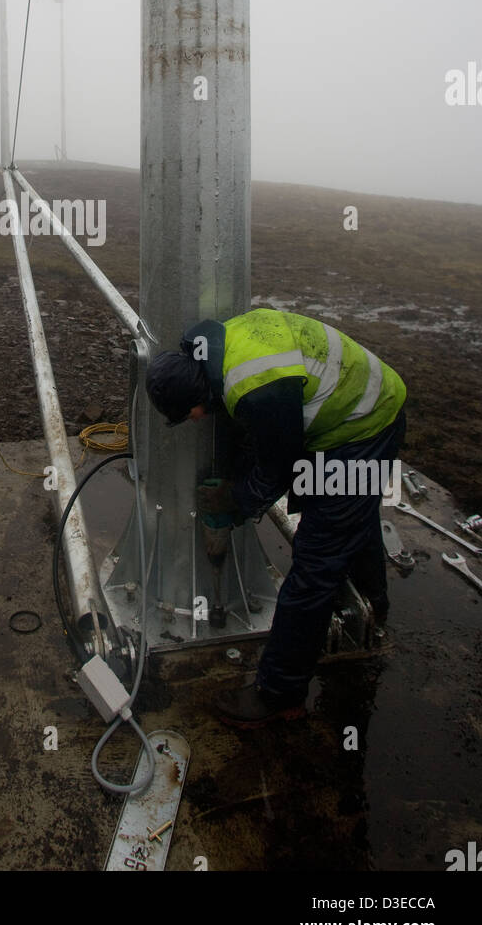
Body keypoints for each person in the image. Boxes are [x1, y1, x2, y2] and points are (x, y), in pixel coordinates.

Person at [145, 308, 407, 729]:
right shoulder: (219, 353)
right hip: (354, 406)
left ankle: (280, 693)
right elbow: (265, 438)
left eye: (190, 411)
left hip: (364, 426)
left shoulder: (256, 388)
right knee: (349, 517)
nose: (196, 419)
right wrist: (241, 485)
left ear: (196, 391)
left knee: (316, 558)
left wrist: (238, 501)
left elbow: (280, 466)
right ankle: (372, 604)